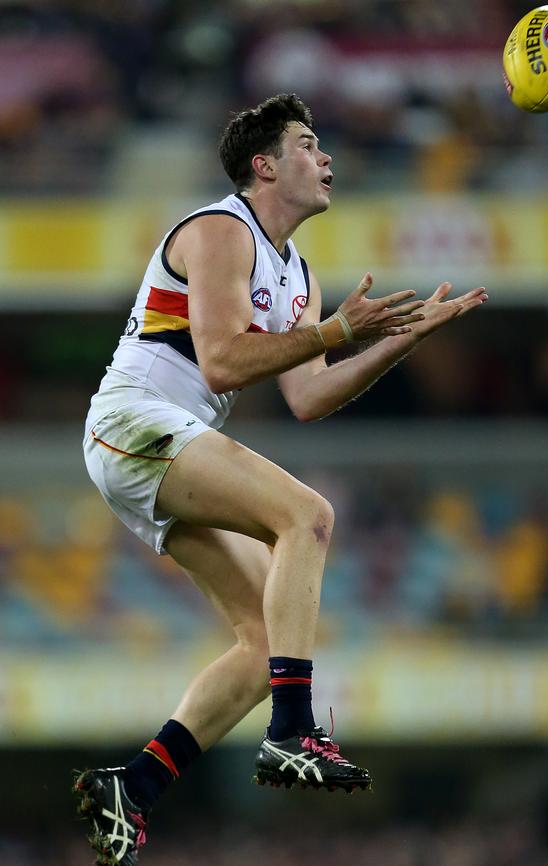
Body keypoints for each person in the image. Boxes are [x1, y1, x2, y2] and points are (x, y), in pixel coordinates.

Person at [72, 92, 488, 865]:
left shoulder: (300, 276)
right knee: (310, 516)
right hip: (134, 421)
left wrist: (403, 339)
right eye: (307, 144)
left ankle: (133, 787)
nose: (325, 157)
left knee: (266, 641)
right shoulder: (221, 230)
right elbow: (225, 360)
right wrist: (333, 332)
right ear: (264, 166)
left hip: (158, 441)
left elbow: (308, 397)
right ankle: (293, 733)